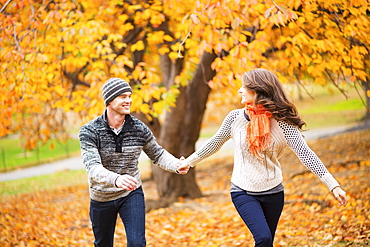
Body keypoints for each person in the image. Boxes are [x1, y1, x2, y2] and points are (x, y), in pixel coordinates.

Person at [177, 68, 347, 247]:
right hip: (242, 190)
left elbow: (306, 154)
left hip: (273, 191)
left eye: (244, 86)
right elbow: (214, 143)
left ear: (258, 90)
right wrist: (188, 162)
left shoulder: (283, 124)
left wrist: (333, 185)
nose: (239, 90)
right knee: (263, 238)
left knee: (267, 242)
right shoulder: (235, 118)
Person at [79, 78, 186, 247]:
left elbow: (157, 154)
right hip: (101, 196)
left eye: (129, 96)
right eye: (122, 96)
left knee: (137, 243)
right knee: (102, 244)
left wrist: (176, 165)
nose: (128, 100)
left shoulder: (138, 128)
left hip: (130, 194)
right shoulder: (89, 131)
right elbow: (92, 167)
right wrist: (116, 179)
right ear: (109, 100)